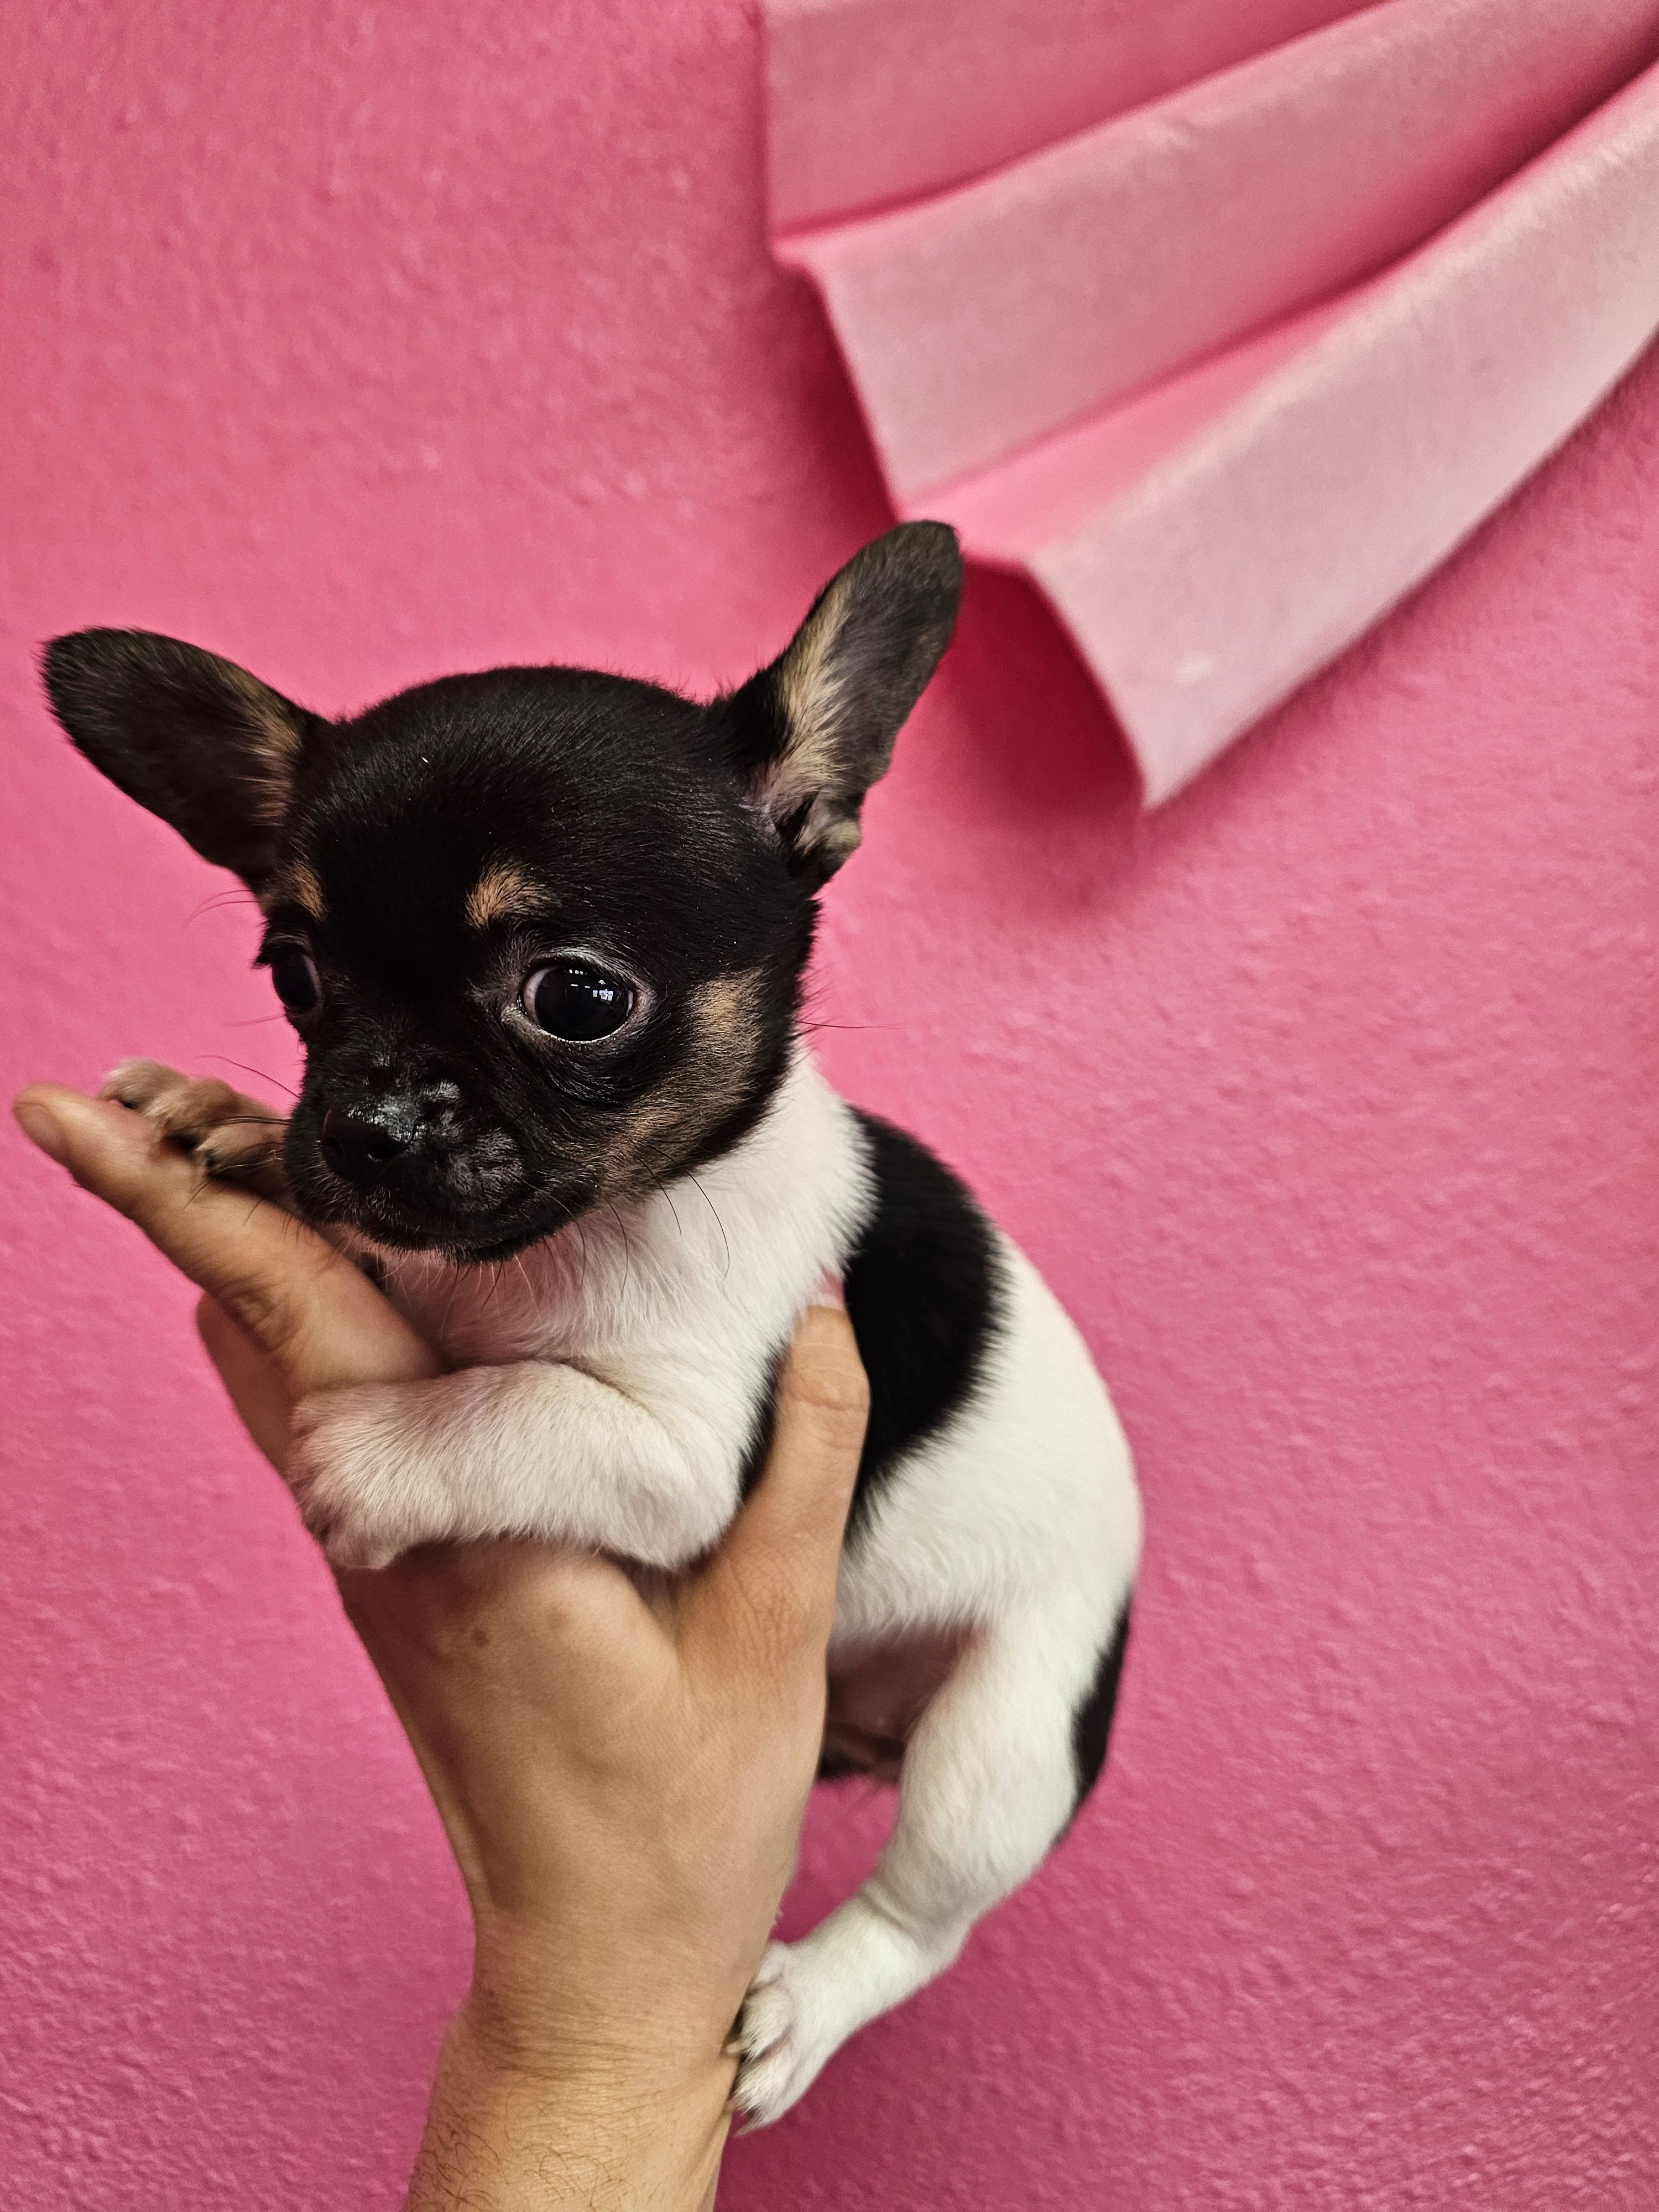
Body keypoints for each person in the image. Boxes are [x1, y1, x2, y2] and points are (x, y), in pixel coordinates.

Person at [12, 1081, 872, 2210]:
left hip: (925, 1630)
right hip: (739, 1679)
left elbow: (673, 1478)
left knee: (1000, 1746)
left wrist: (429, 1445)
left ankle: (892, 1939)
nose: (378, 1114)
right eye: (304, 981)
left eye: (572, 999)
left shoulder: (735, 1203)